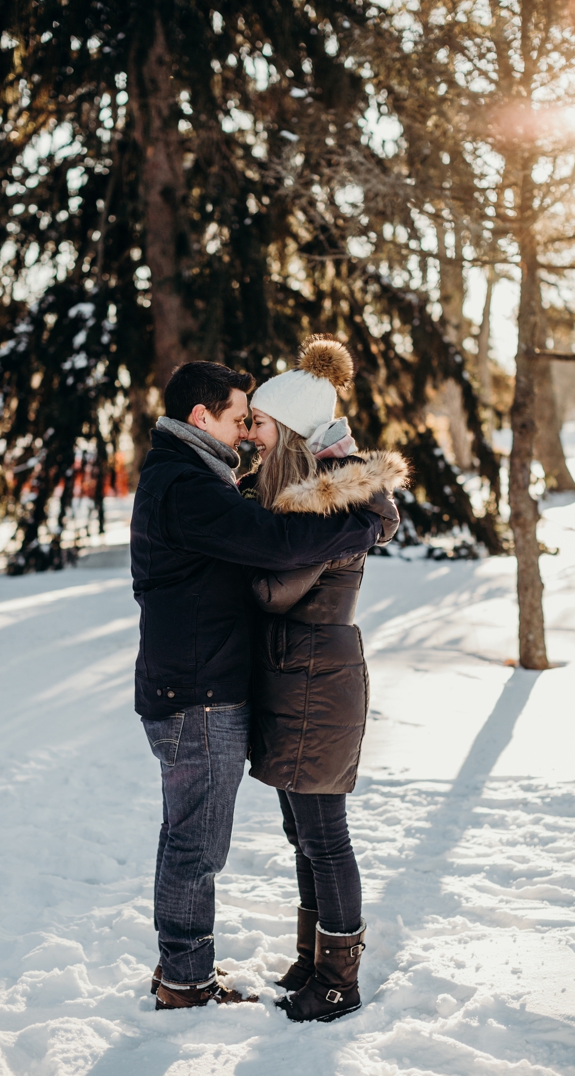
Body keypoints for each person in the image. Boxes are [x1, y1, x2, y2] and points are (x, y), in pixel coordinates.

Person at [131, 359, 396, 1010]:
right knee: (200, 843)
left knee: (300, 837)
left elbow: (275, 555)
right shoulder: (189, 484)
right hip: (201, 692)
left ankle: (313, 974)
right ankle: (189, 980)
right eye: (239, 417)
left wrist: (362, 499)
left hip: (280, 685)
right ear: (202, 419)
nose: (247, 433)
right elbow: (272, 546)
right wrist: (365, 511)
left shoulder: (194, 477)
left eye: (258, 422)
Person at [237, 337, 406, 1022]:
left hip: (315, 680)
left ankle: (338, 980)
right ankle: (312, 959)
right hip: (296, 675)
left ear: (294, 434)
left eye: (260, 424)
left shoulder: (321, 505)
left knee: (325, 836)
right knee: (303, 833)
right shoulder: (298, 496)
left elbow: (274, 593)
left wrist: (238, 554)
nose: (249, 433)